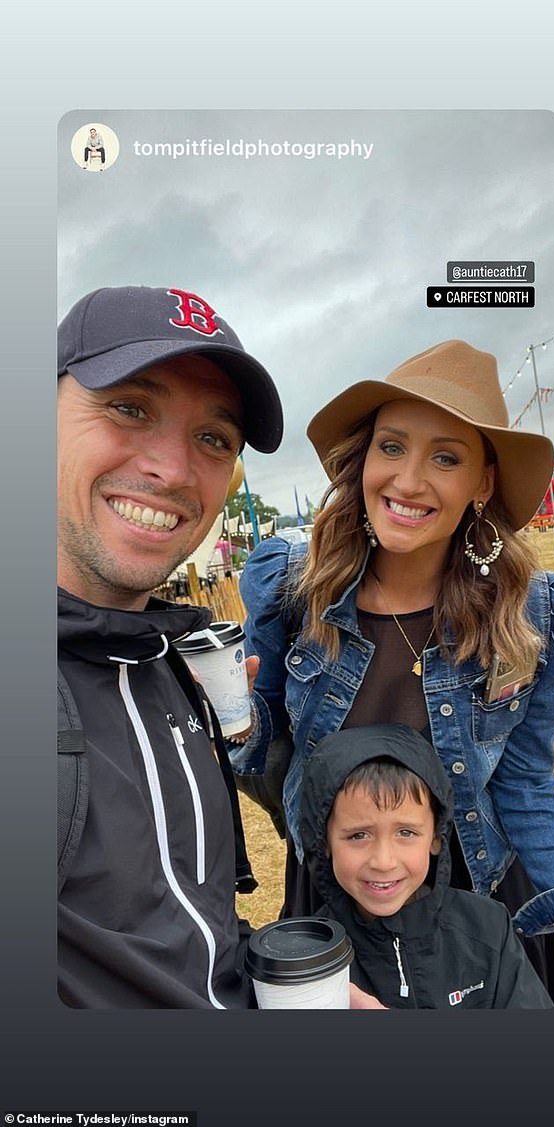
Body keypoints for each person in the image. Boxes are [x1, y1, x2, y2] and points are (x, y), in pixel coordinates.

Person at [234, 339, 554, 1001]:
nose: (408, 480)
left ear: (484, 483)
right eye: (392, 446)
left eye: (446, 455)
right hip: (335, 887)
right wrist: (234, 724)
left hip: (479, 899)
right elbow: (265, 757)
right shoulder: (288, 594)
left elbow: (525, 779)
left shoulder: (534, 614)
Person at [57, 284, 286, 1008]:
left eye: (214, 438)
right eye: (129, 407)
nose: (176, 470)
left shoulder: (168, 663)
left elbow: (193, 926)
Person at [300, 724, 552, 1008]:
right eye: (358, 835)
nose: (384, 861)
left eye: (406, 833)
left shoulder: (488, 928)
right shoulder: (309, 956)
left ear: (436, 837)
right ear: (323, 843)